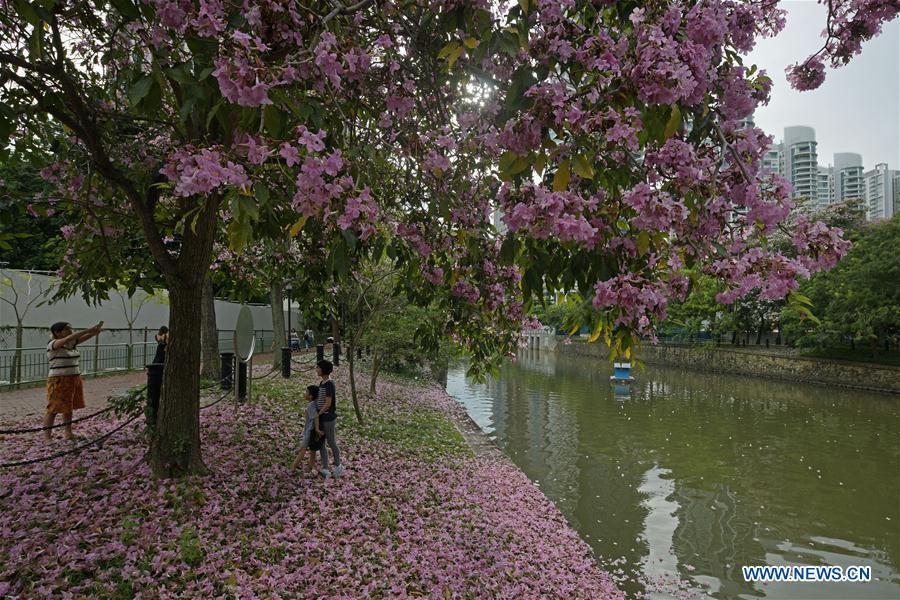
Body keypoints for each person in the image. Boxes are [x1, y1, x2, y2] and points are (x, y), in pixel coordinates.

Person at [43, 320, 103, 442]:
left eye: (70, 328)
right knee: (53, 408)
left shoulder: (71, 343)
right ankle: (47, 437)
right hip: (58, 380)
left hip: (73, 378)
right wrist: (88, 330)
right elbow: (69, 338)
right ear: (57, 332)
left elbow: (86, 336)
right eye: (66, 329)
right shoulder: (54, 344)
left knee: (68, 407)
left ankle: (68, 432)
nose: (70, 331)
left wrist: (95, 331)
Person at [315, 359, 343, 477]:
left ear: (323, 369)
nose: (316, 369)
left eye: (318, 367)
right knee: (321, 443)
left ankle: (338, 466)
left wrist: (318, 414)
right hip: (321, 417)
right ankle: (325, 468)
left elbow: (328, 403)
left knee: (331, 442)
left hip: (328, 418)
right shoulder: (322, 383)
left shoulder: (330, 384)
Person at [290, 385, 325, 473]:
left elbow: (315, 417)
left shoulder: (311, 405)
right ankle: (311, 466)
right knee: (312, 449)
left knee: (303, 449)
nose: (304, 394)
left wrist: (316, 429)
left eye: (306, 392)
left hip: (310, 430)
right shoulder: (316, 403)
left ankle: (293, 467)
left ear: (311, 396)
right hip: (312, 430)